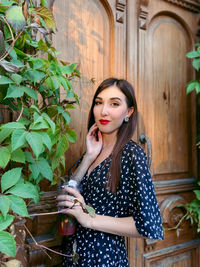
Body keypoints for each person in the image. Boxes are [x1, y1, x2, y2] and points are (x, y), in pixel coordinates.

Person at [57, 78, 164, 266]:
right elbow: (70, 196)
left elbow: (147, 225)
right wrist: (88, 158)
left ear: (128, 112)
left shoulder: (132, 154)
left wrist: (89, 219)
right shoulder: (92, 152)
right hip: (73, 254)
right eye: (99, 103)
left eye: (114, 103)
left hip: (104, 258)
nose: (103, 111)